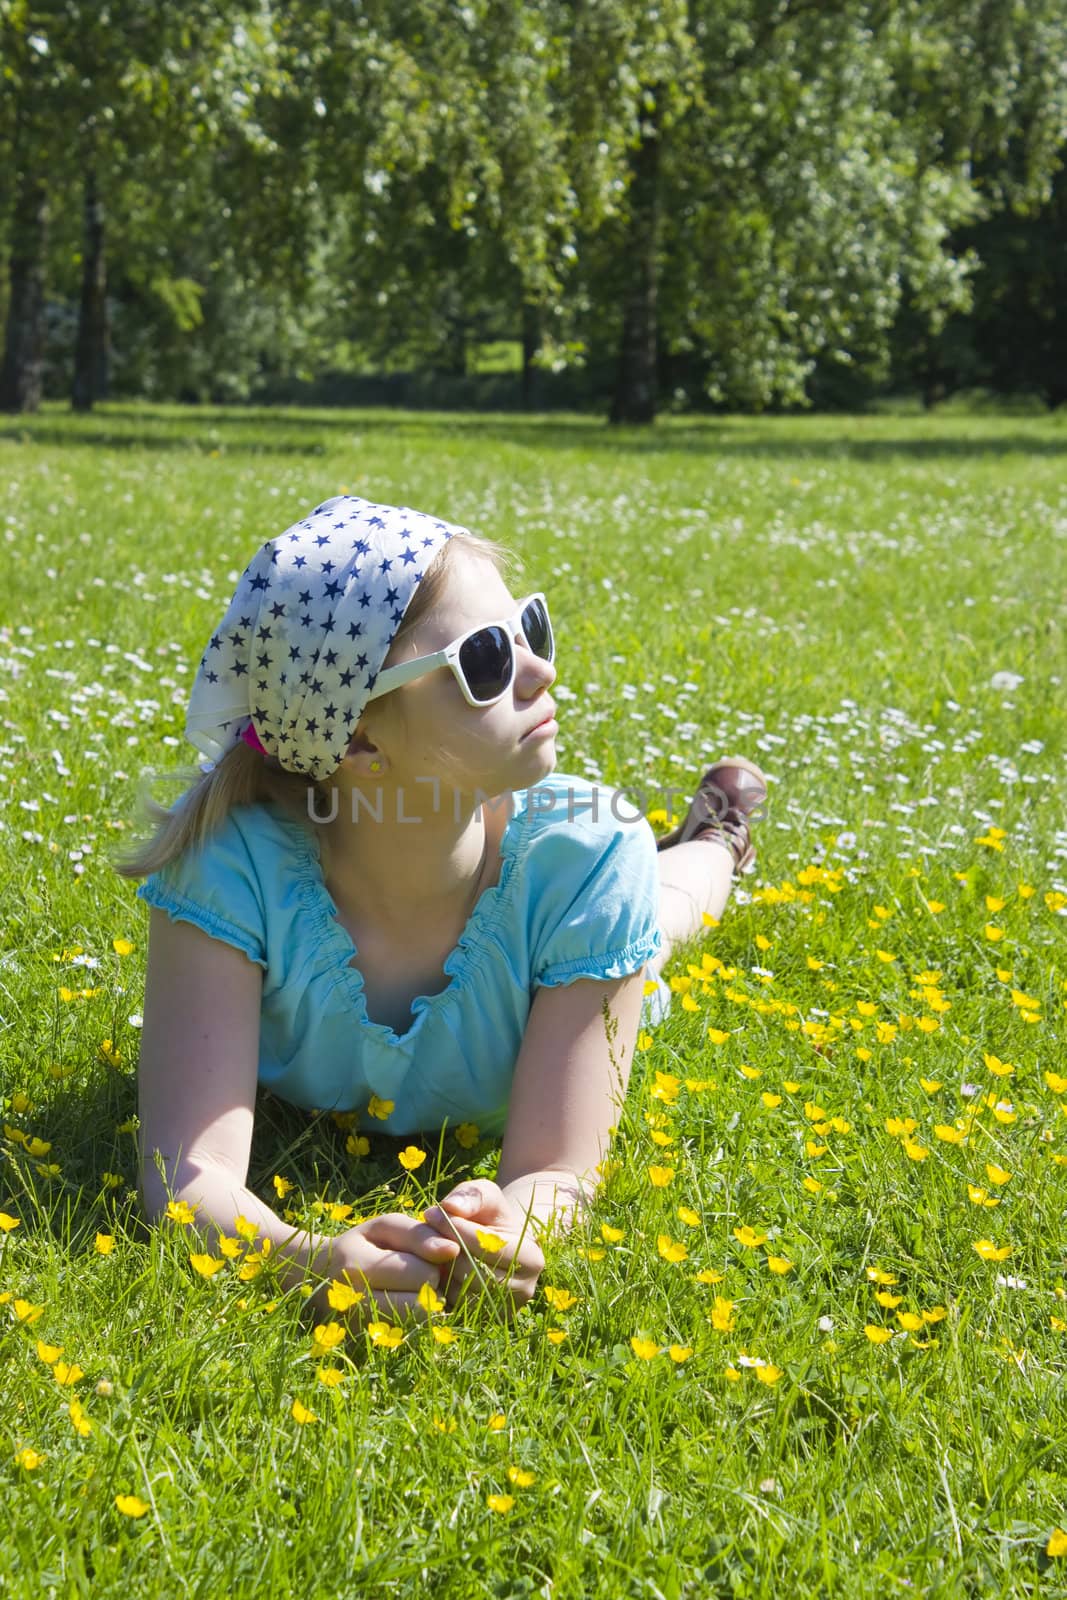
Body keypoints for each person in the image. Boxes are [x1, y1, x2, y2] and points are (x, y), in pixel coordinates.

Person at [117, 494, 767, 1323]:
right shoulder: (230, 869)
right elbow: (184, 1173)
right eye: (487, 659)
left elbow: (561, 1168)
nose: (541, 671)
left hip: (574, 901)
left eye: (531, 630)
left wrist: (513, 1225)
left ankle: (718, 839)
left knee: (668, 906)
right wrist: (300, 1261)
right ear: (357, 741)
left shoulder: (589, 860)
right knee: (654, 907)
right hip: (535, 919)